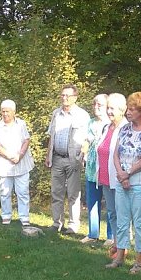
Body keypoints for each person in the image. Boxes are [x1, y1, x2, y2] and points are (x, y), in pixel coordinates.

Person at [111, 92, 141, 273]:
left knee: (139, 221)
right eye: (128, 108)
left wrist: (128, 173)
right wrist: (121, 174)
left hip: (140, 182)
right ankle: (119, 256)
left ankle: (139, 260)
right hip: (122, 181)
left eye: (133, 109)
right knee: (122, 220)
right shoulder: (124, 128)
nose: (128, 112)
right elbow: (116, 153)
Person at [46, 84, 91, 234]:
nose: (64, 98)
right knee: (56, 192)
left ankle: (73, 225)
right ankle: (56, 222)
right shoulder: (55, 114)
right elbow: (51, 136)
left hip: (73, 159)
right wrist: (48, 155)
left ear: (75, 98)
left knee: (73, 193)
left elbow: (88, 139)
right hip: (57, 158)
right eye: (63, 95)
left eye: (68, 96)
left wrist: (81, 158)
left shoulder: (82, 115)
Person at [0, 99, 35, 225]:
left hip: (21, 162)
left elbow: (26, 140)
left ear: (14, 112)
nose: (5, 114)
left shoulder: (21, 124)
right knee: (5, 192)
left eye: (7, 112)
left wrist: (19, 155)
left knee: (23, 192)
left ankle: (24, 218)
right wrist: (9, 156)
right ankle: (6, 216)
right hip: (4, 163)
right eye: (3, 111)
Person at [95, 93, 126, 252]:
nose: (109, 112)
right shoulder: (106, 127)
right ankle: (116, 243)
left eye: (112, 108)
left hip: (119, 178)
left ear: (122, 110)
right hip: (105, 177)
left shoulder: (125, 128)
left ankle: (123, 245)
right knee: (112, 212)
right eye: (108, 108)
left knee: (121, 214)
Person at [83, 94, 112, 243]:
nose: (96, 107)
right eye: (94, 104)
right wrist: (83, 151)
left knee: (109, 202)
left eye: (99, 105)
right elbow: (86, 140)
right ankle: (93, 234)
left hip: (106, 168)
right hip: (92, 168)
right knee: (92, 201)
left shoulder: (112, 123)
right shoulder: (91, 122)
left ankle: (111, 236)